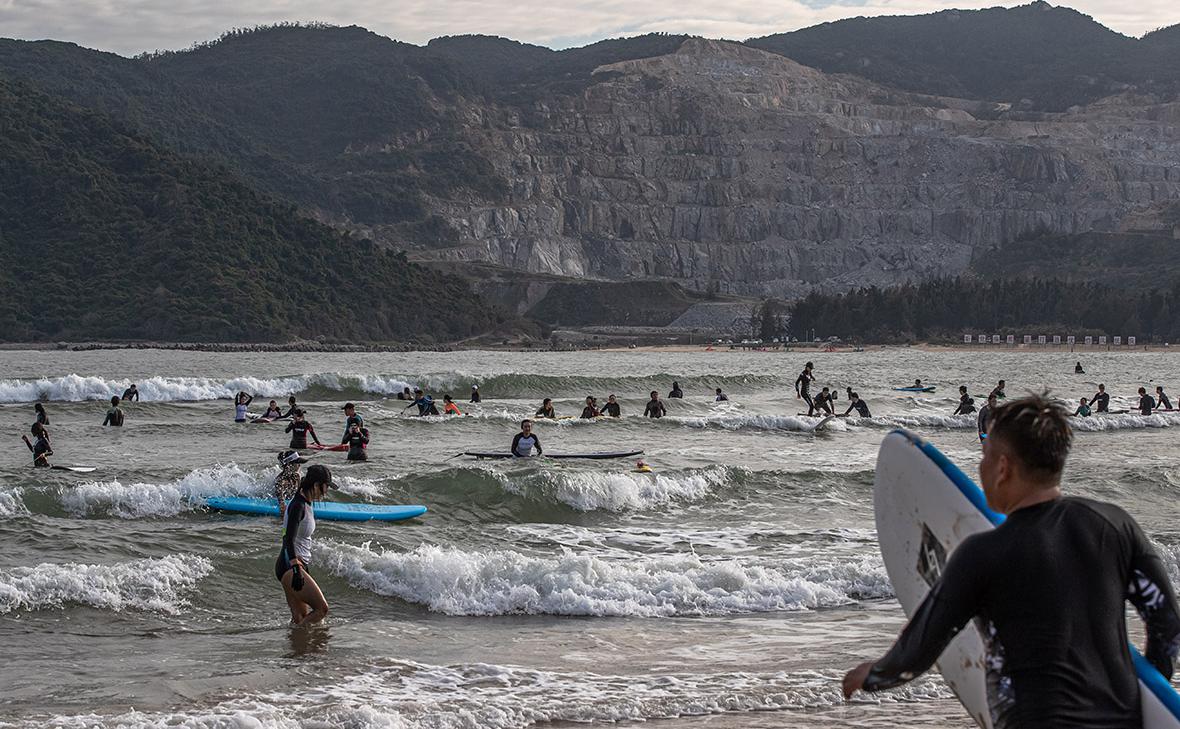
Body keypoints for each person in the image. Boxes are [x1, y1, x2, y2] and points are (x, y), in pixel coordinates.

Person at [842, 393, 1180, 727]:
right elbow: (1168, 625)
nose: (981, 464)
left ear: (1003, 467)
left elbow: (922, 646)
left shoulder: (983, 553)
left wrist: (873, 674)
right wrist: (1149, 700)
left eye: (986, 452)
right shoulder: (1115, 525)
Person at [275, 464, 334, 626]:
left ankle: (297, 648)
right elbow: (288, 538)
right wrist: (295, 568)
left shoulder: (304, 501)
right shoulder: (298, 506)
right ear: (316, 485)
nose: (326, 491)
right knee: (322, 609)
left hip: (293, 564)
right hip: (291, 566)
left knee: (300, 618)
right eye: (325, 486)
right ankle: (302, 643)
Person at [273, 449, 308, 518]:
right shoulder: (281, 480)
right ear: (289, 464)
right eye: (297, 463)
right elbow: (281, 502)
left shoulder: (297, 476)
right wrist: (282, 506)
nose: (299, 465)